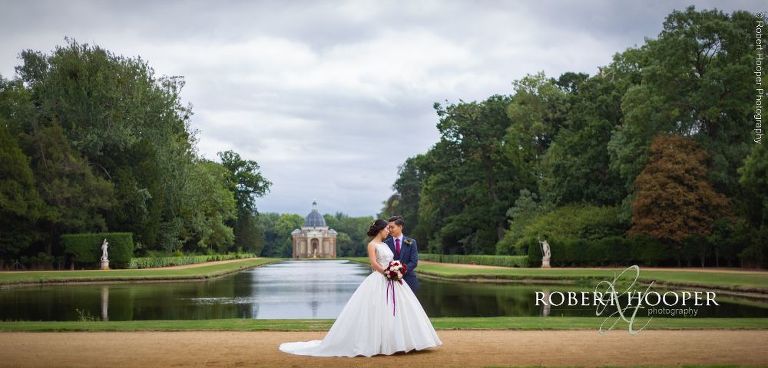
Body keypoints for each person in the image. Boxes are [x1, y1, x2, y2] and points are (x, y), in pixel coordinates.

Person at [278, 219, 442, 357]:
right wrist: (387, 272)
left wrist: (396, 269)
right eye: (386, 228)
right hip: (380, 279)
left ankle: (400, 342)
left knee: (398, 311)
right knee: (376, 311)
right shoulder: (372, 245)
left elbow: (391, 260)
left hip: (393, 280)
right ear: (380, 230)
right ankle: (378, 344)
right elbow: (374, 264)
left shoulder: (385, 244)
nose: (388, 231)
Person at [385, 216, 419, 292]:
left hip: (409, 281)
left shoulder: (411, 242)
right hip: (391, 281)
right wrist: (392, 273)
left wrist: (401, 271)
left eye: (392, 227)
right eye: (388, 228)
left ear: (400, 227)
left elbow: (414, 262)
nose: (390, 230)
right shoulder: (385, 244)